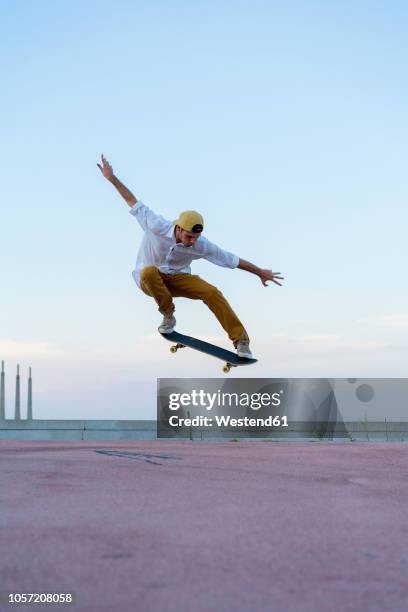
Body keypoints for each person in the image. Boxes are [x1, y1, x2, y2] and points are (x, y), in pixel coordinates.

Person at [97, 154, 284, 358]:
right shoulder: (155, 225)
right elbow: (131, 200)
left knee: (212, 292)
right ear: (178, 228)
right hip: (148, 281)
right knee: (149, 271)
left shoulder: (201, 245)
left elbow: (231, 260)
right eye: (189, 237)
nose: (192, 241)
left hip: (178, 279)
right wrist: (112, 178)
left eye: (196, 237)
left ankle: (241, 342)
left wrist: (259, 272)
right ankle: (168, 315)